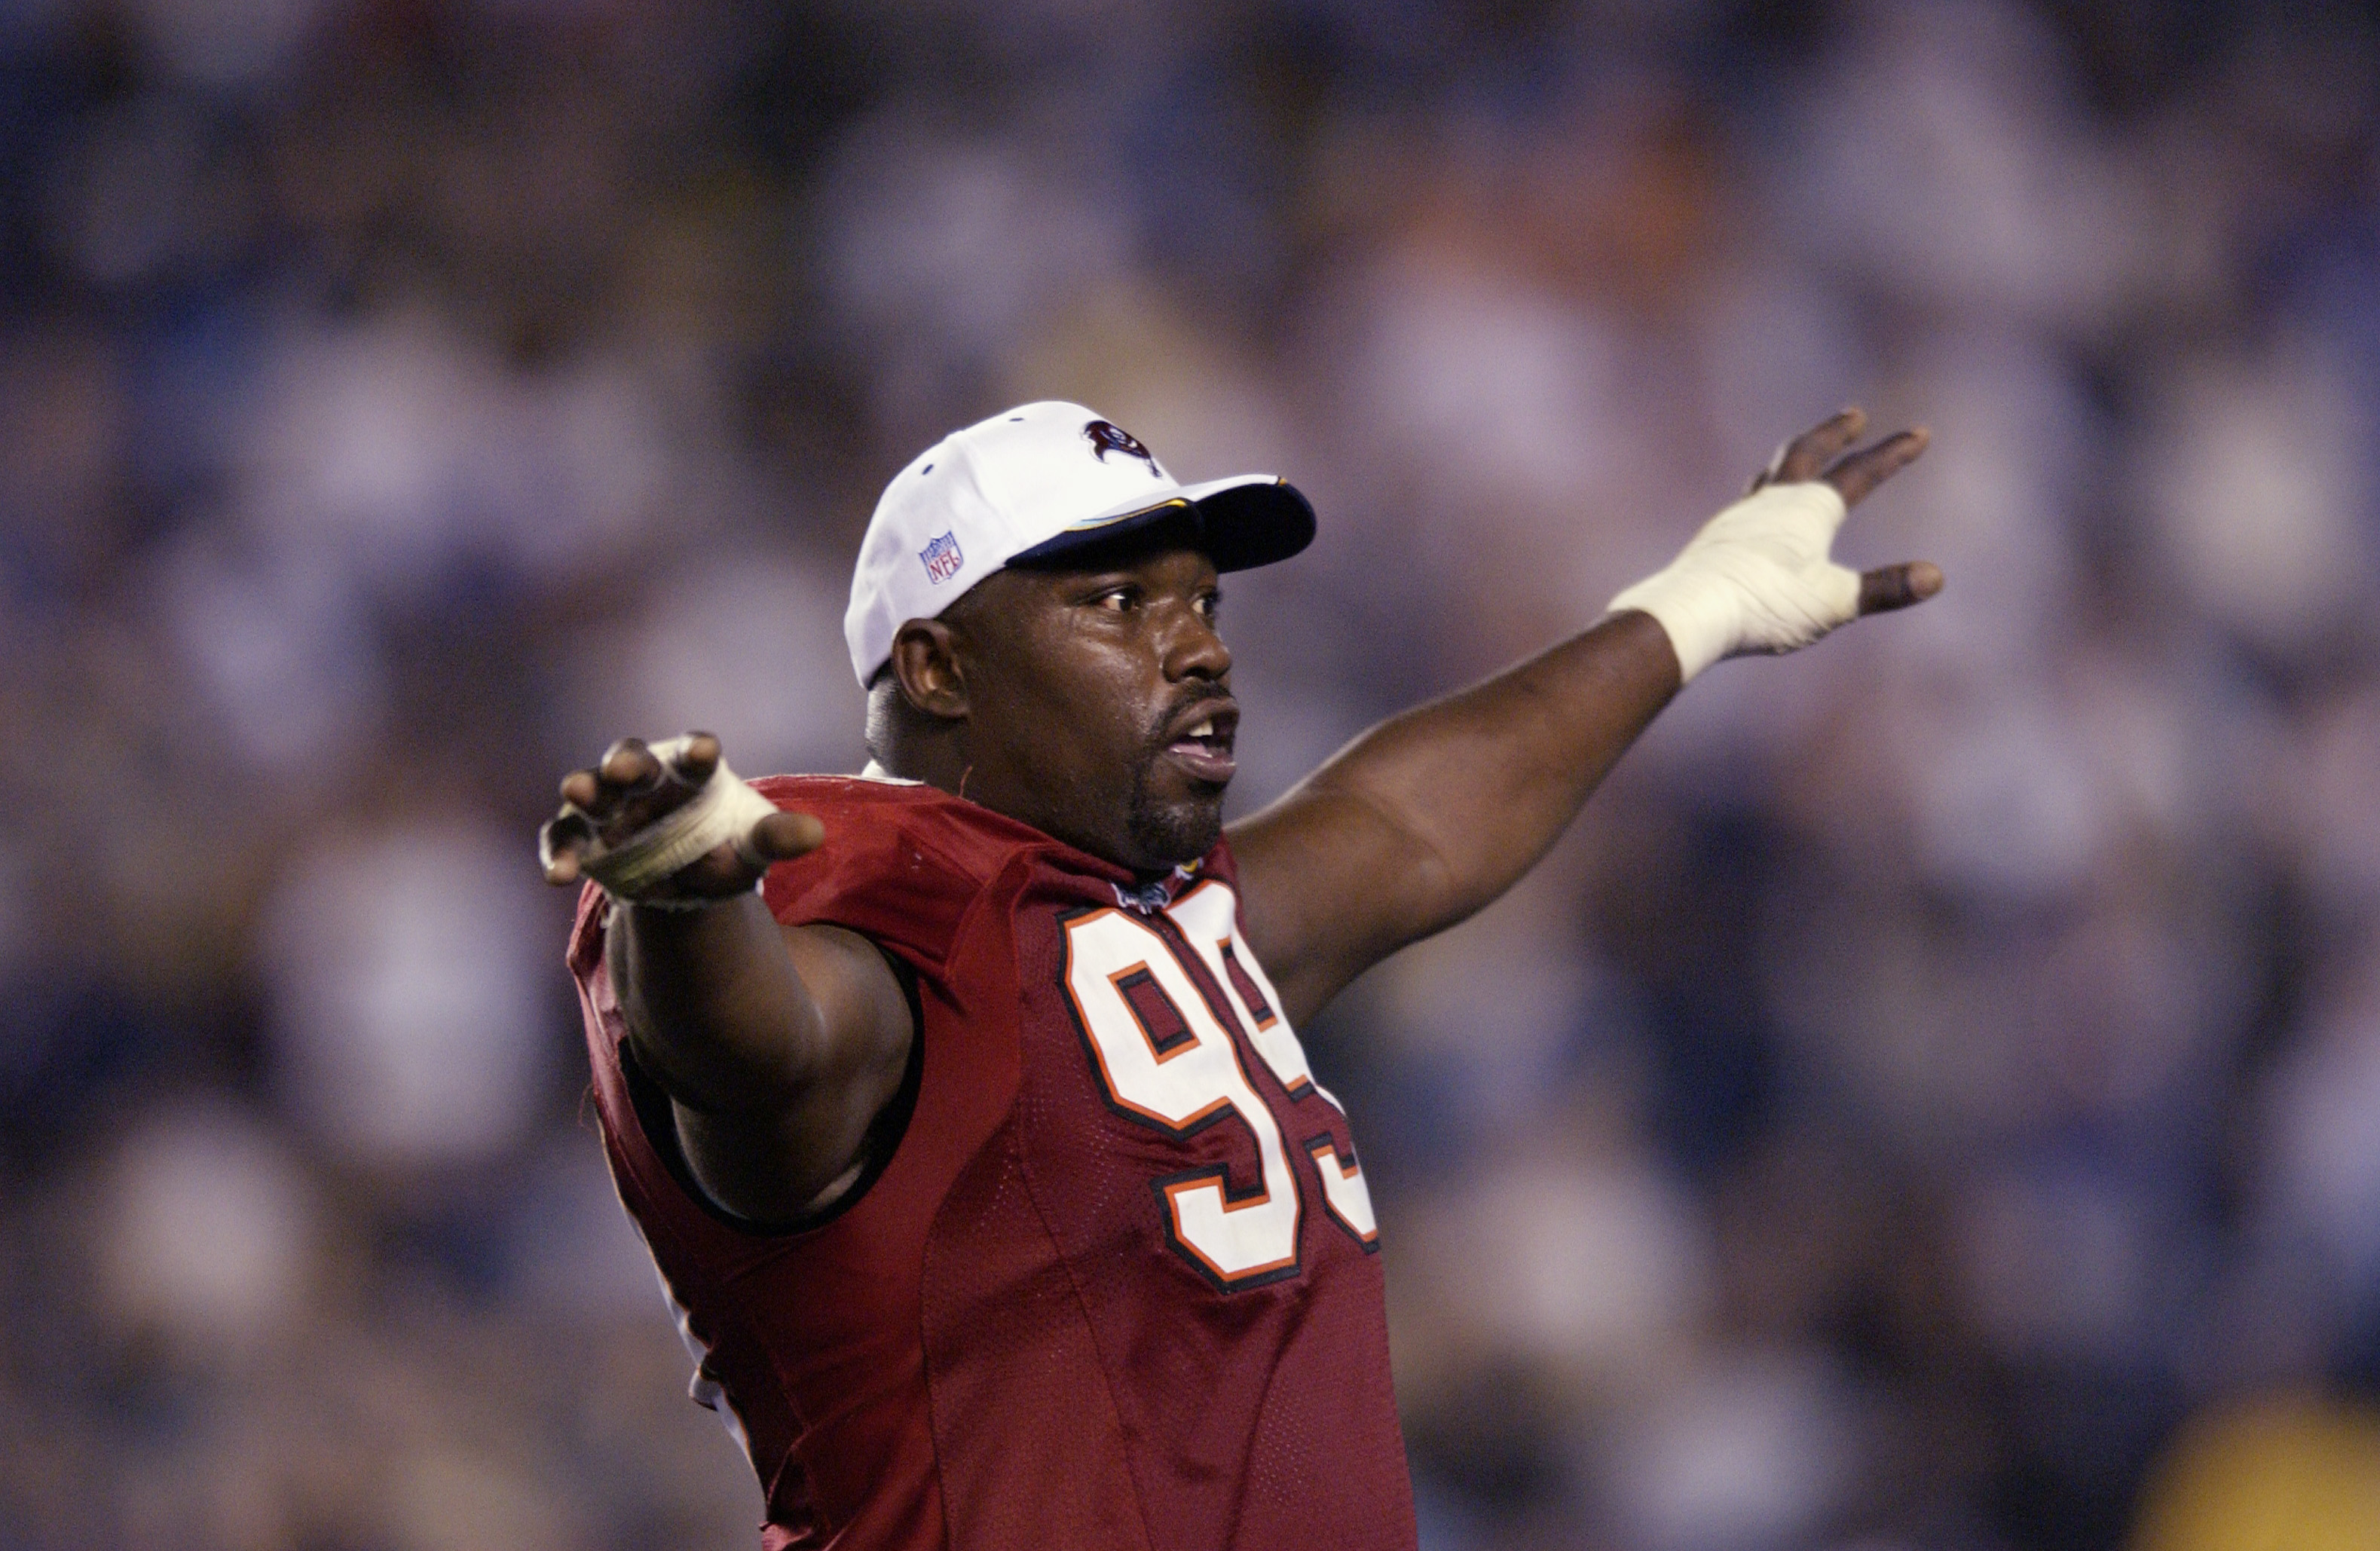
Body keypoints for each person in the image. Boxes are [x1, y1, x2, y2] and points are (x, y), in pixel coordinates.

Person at [539, 399, 1936, 1550]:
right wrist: (685, 898)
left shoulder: (1140, 921)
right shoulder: (876, 920)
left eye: (1200, 600)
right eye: (1117, 602)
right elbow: (759, 1050)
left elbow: (1405, 823)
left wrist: (1692, 606)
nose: (1200, 644)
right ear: (940, 666)